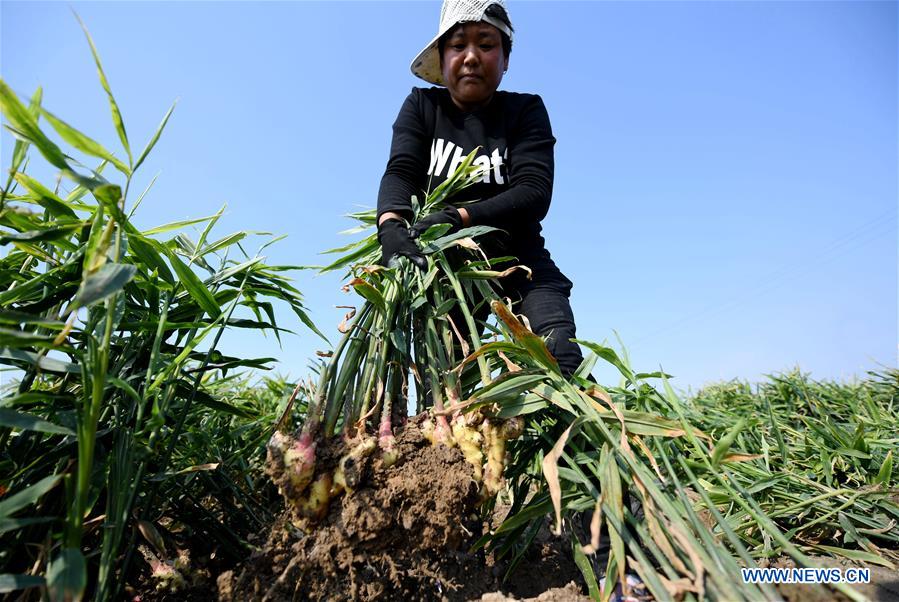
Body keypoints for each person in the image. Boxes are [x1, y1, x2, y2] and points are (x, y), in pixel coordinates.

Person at [376, 0, 586, 379]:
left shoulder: (524, 111)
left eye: (486, 45)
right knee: (445, 379)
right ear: (442, 59)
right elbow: (401, 171)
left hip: (519, 260)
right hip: (445, 269)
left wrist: (460, 217)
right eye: (458, 46)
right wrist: (390, 225)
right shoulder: (423, 106)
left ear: (505, 59)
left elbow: (534, 191)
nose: (471, 57)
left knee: (560, 360)